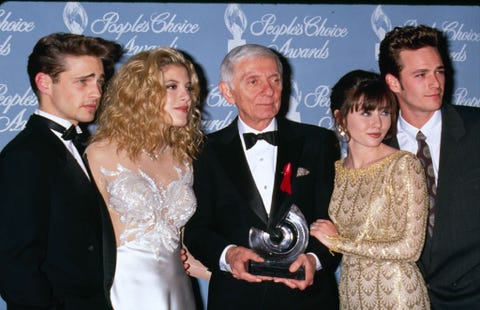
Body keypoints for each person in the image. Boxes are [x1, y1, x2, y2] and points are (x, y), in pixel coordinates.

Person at [184, 44, 340, 309]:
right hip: (236, 299)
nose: (267, 91)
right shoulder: (203, 151)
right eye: (253, 81)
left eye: (275, 80)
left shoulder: (318, 142)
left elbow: (335, 217)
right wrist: (228, 254)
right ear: (227, 92)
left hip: (308, 298)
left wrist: (314, 259)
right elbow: (197, 229)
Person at [0, 32, 122, 309]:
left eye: (99, 82)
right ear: (44, 82)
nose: (97, 93)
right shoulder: (25, 156)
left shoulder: (83, 146)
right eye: (82, 82)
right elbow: (15, 265)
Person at [85, 47, 204, 310]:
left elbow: (182, 242)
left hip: (180, 291)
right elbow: (87, 240)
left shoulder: (183, 158)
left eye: (188, 87)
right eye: (171, 86)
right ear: (141, 94)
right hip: (126, 291)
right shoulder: (99, 153)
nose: (186, 96)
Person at [310, 69, 431, 309]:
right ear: (340, 117)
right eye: (366, 112)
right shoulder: (335, 171)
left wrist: (338, 242)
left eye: (385, 112)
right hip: (351, 295)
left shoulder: (404, 165)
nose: (378, 123)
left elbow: (410, 249)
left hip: (398, 296)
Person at [379, 25, 480, 309]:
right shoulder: (374, 145)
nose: (436, 83)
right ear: (393, 82)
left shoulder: (476, 129)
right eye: (421, 75)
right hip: (403, 299)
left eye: (439, 71)